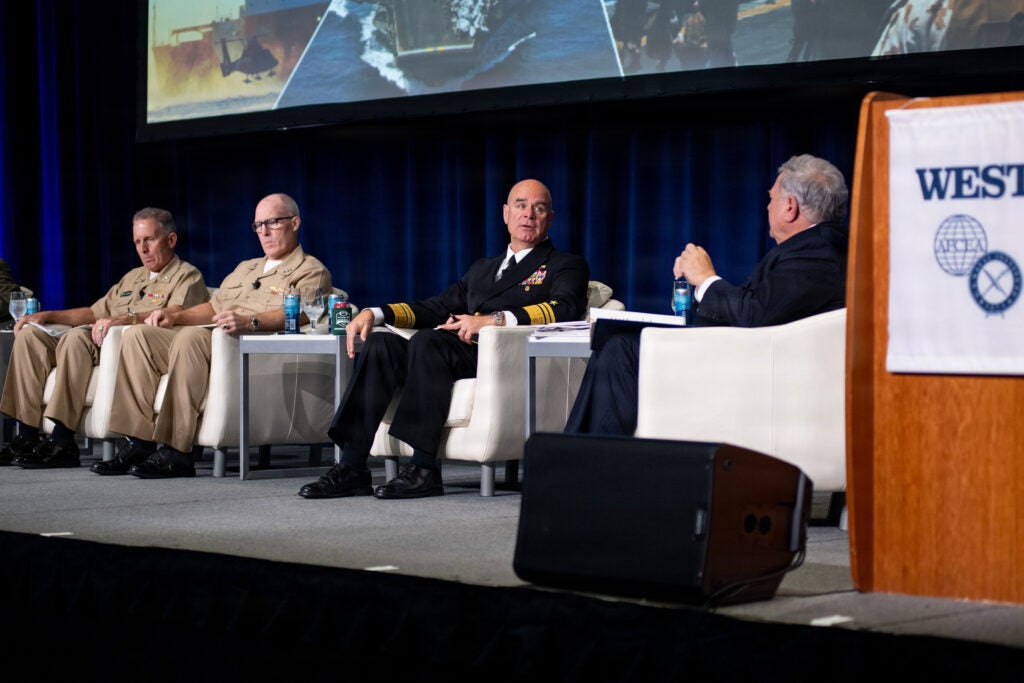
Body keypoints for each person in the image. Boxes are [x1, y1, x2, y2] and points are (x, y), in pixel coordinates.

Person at [298, 178, 589, 500]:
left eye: (539, 208)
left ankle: (424, 468)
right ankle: (352, 466)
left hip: (501, 357)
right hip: (452, 353)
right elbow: (437, 307)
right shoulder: (483, 268)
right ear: (505, 214)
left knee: (428, 341)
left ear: (551, 217)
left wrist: (490, 320)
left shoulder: (566, 264)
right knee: (382, 343)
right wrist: (375, 313)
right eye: (521, 205)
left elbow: (565, 308)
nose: (529, 214)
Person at [564, 154, 849, 435]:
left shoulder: (817, 254)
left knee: (622, 350)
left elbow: (754, 316)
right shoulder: (815, 248)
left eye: (771, 199)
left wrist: (706, 279)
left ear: (790, 207)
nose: (766, 207)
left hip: (765, 381)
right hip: (758, 365)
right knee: (617, 342)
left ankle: (593, 466)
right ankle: (580, 459)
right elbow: (763, 311)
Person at [99, 193, 332, 479]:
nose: (264, 231)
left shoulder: (312, 270)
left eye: (272, 222)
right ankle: (138, 442)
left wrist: (249, 321)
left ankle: (177, 452)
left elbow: (305, 314)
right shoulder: (245, 268)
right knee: (138, 336)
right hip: (214, 341)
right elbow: (213, 307)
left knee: (190, 339)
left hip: (252, 348)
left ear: (294, 223)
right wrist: (175, 316)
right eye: (258, 225)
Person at [0, 208, 208, 468]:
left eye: (149, 240)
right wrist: (46, 315)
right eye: (137, 242)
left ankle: (63, 440)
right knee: (30, 337)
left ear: (171, 240)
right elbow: (94, 311)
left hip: (131, 346)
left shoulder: (187, 276)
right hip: (100, 339)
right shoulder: (132, 277)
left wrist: (120, 320)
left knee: (76, 340)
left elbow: (175, 314)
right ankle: (26, 436)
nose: (142, 249)